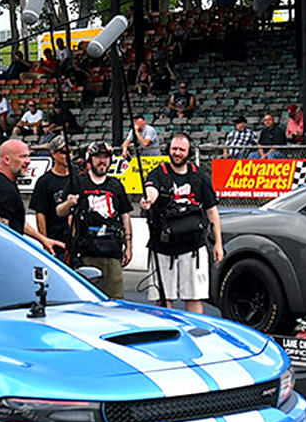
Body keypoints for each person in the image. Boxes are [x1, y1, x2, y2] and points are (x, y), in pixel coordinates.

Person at [141, 133, 221, 313]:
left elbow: (212, 210)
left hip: (194, 247)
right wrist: (147, 200)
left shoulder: (199, 176)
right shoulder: (159, 173)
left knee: (194, 297)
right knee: (164, 299)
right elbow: (151, 189)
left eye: (181, 150)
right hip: (162, 247)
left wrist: (218, 244)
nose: (177, 153)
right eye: (174, 149)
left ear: (189, 152)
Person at [61, 141, 133, 298]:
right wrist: (69, 203)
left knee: (114, 300)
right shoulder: (77, 182)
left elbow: (125, 215)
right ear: (89, 159)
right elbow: (60, 211)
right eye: (98, 157)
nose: (102, 161)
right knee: (86, 299)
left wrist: (129, 245)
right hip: (86, 252)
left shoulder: (116, 185)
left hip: (112, 251)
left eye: (106, 157)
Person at [0, 139, 65, 252]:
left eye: (28, 156)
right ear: (7, 160)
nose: (28, 161)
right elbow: (2, 230)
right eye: (23, 157)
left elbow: (16, 220)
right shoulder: (0, 187)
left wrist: (43, 239)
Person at [30, 136, 76, 260]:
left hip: (77, 243)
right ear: (54, 154)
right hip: (56, 240)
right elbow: (40, 213)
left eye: (71, 151)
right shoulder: (44, 182)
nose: (69, 155)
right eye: (64, 152)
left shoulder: (77, 177)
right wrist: (45, 241)